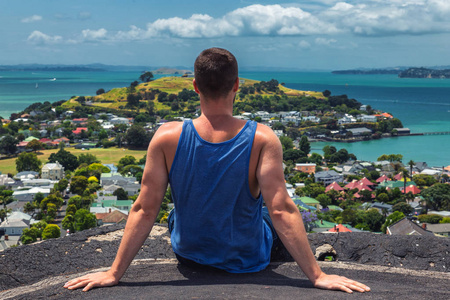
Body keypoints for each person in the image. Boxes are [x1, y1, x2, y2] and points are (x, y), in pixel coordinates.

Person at [64, 48, 370, 294]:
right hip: (248, 259)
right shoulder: (262, 138)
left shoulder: (167, 136)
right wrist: (317, 276)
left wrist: (114, 273)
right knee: (272, 211)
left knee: (175, 213)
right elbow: (280, 209)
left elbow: (145, 208)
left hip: (189, 253)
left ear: (195, 86)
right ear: (236, 85)